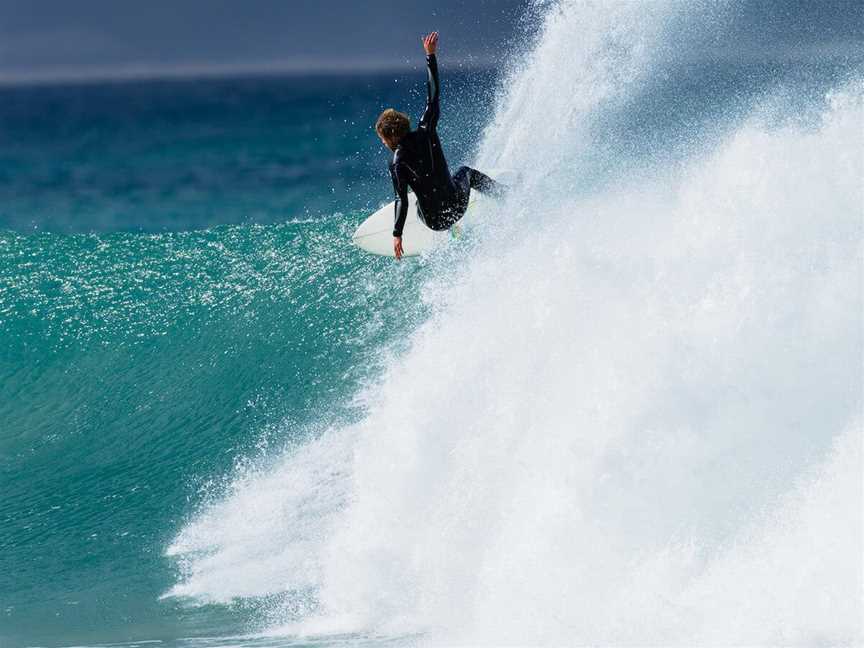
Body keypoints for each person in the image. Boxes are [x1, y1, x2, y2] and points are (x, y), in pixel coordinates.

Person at [376, 31, 503, 259]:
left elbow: (400, 200)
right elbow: (433, 97)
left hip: (435, 222)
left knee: (415, 198)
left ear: (392, 137)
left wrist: (397, 234)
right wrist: (430, 56)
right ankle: (503, 194)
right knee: (466, 172)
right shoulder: (427, 129)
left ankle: (450, 229)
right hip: (457, 206)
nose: (384, 143)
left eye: (383, 138)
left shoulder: (397, 163)